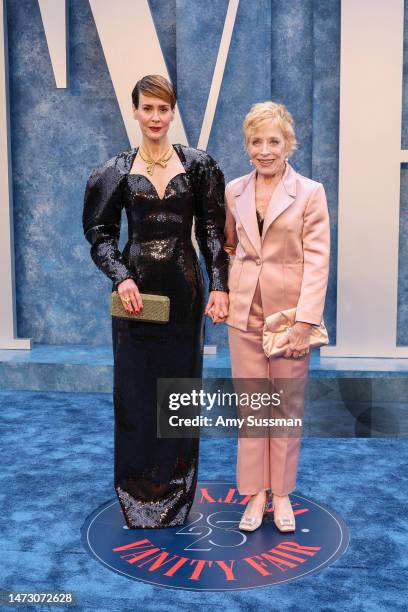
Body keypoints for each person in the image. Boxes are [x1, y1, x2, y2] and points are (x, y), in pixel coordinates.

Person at [82, 74, 229, 528]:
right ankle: (137, 491)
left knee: (180, 392)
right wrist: (121, 277)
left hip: (185, 292)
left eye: (163, 109)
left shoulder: (200, 165)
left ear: (173, 112)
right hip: (135, 297)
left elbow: (210, 232)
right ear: (135, 111)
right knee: (135, 392)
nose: (155, 117)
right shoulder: (116, 171)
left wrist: (220, 284)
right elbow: (100, 236)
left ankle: (176, 488)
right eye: (147, 108)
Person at [222, 101, 330, 532]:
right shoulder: (233, 190)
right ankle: (256, 495)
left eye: (273, 141)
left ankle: (282, 494)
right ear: (247, 145)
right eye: (256, 141)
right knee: (252, 409)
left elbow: (318, 260)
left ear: (289, 144)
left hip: (289, 318)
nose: (264, 150)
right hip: (244, 313)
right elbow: (231, 246)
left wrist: (306, 321)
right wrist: (232, 287)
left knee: (284, 407)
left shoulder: (310, 192)